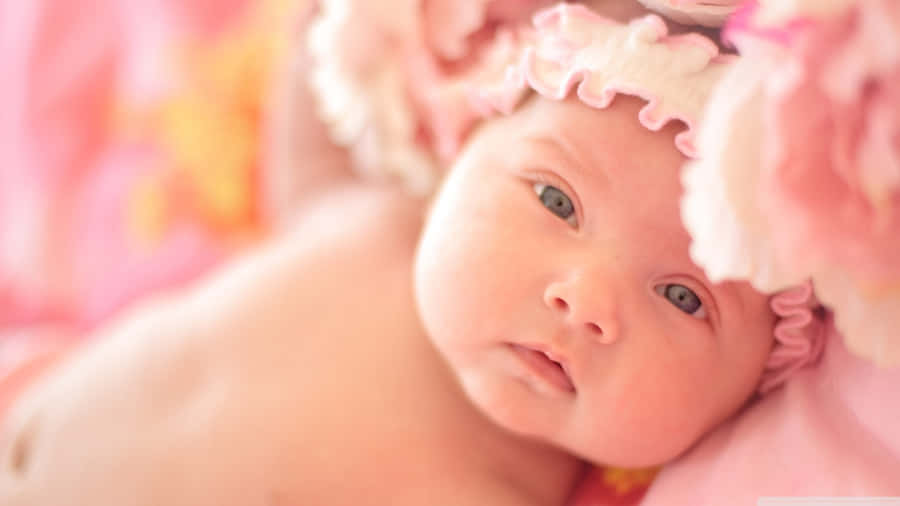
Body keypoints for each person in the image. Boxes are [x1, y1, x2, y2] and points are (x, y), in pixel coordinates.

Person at [0, 2, 822, 505]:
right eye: (556, 199)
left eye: (684, 298)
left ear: (751, 392)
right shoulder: (356, 209)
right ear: (458, 152)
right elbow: (324, 58)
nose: (588, 297)